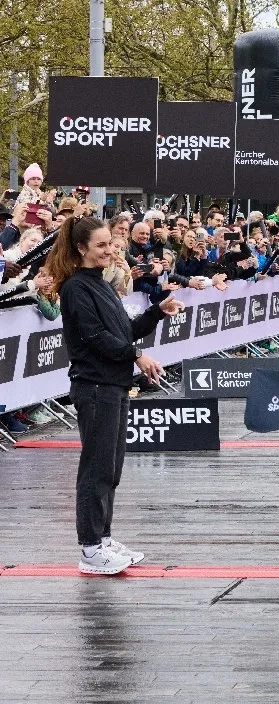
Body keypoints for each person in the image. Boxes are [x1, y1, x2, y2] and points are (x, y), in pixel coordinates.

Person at [44, 216, 184, 575]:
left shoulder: (101, 283)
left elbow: (124, 332)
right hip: (94, 387)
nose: (110, 250)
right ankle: (90, 549)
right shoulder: (76, 288)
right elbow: (96, 339)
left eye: (111, 244)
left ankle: (103, 539)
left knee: (111, 466)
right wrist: (137, 355)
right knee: (96, 467)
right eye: (101, 245)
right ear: (81, 249)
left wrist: (157, 312)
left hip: (114, 385)